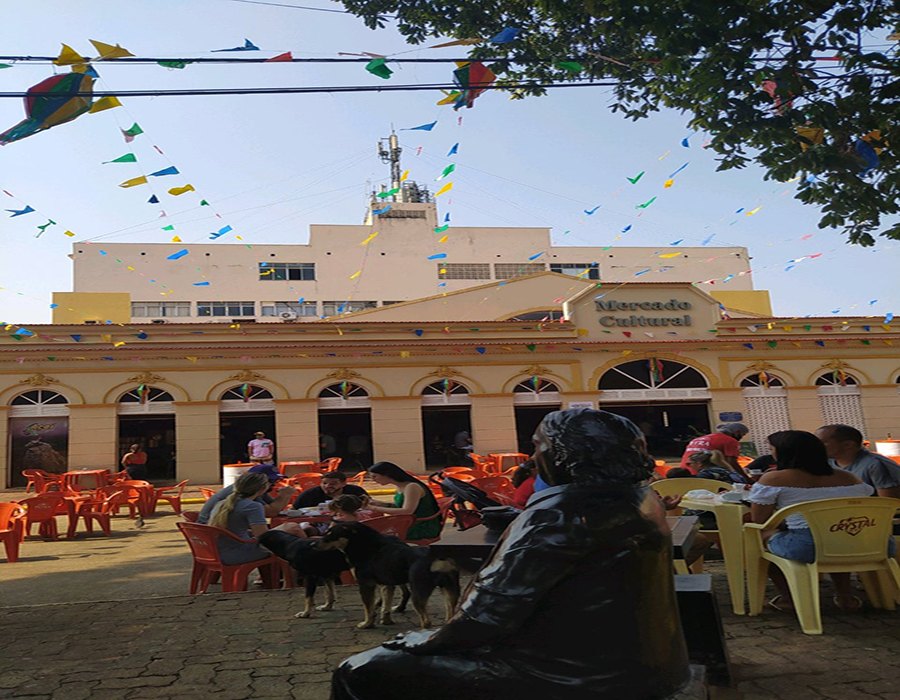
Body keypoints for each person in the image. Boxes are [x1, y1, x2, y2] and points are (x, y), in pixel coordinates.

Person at [331, 409, 691, 699]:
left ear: (562, 453)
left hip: (577, 678)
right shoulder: (641, 499)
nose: (534, 457)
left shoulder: (560, 513)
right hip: (650, 668)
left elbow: (485, 618)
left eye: (538, 447)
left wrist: (425, 638)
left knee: (361, 669)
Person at [747, 430, 883, 612]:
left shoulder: (774, 478)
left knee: (759, 537)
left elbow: (760, 520)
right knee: (835, 532)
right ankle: (845, 596)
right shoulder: (848, 477)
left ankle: (790, 598)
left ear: (783, 452)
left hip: (808, 547)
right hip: (865, 543)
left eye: (771, 449)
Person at [207, 472, 300, 565]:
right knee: (293, 530)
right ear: (263, 488)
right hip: (235, 553)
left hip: (217, 552)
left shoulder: (222, 503)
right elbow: (264, 536)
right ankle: (299, 573)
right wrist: (284, 528)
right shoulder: (253, 506)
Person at [816, 424, 900, 499]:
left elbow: (889, 504)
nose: (815, 446)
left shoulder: (875, 464)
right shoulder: (827, 463)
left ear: (848, 445)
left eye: (822, 442)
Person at [365, 461, 441, 541]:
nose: (373, 480)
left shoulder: (412, 487)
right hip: (410, 523)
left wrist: (372, 508)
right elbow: (399, 507)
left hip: (422, 527)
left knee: (372, 534)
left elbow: (407, 511)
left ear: (387, 474)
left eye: (375, 476)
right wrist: (377, 503)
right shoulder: (401, 486)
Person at [198, 470, 296, 524]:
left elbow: (274, 508)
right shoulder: (249, 498)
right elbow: (271, 512)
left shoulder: (246, 492)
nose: (274, 485)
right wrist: (285, 495)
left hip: (214, 533)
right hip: (219, 535)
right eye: (272, 482)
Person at [680, 422, 750, 479]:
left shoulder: (698, 439)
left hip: (684, 472)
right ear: (737, 432)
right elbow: (731, 462)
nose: (741, 437)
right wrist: (745, 478)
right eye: (742, 435)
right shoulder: (730, 440)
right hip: (706, 475)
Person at [292, 471, 368, 509]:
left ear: (343, 484)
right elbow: (294, 510)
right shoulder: (309, 494)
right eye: (324, 483)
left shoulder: (355, 491)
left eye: (333, 483)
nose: (327, 486)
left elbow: (369, 505)